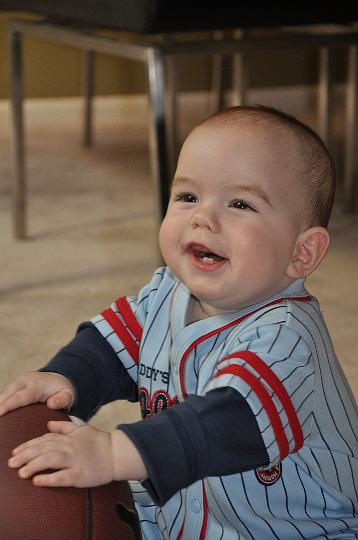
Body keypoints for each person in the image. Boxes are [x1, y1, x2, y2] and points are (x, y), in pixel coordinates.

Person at [0, 105, 357, 539]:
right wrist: (67, 376)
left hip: (290, 530)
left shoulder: (288, 341)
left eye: (240, 203)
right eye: (187, 197)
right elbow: (111, 347)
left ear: (302, 253)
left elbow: (221, 424)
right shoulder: (167, 292)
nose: (202, 217)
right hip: (183, 510)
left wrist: (116, 451)